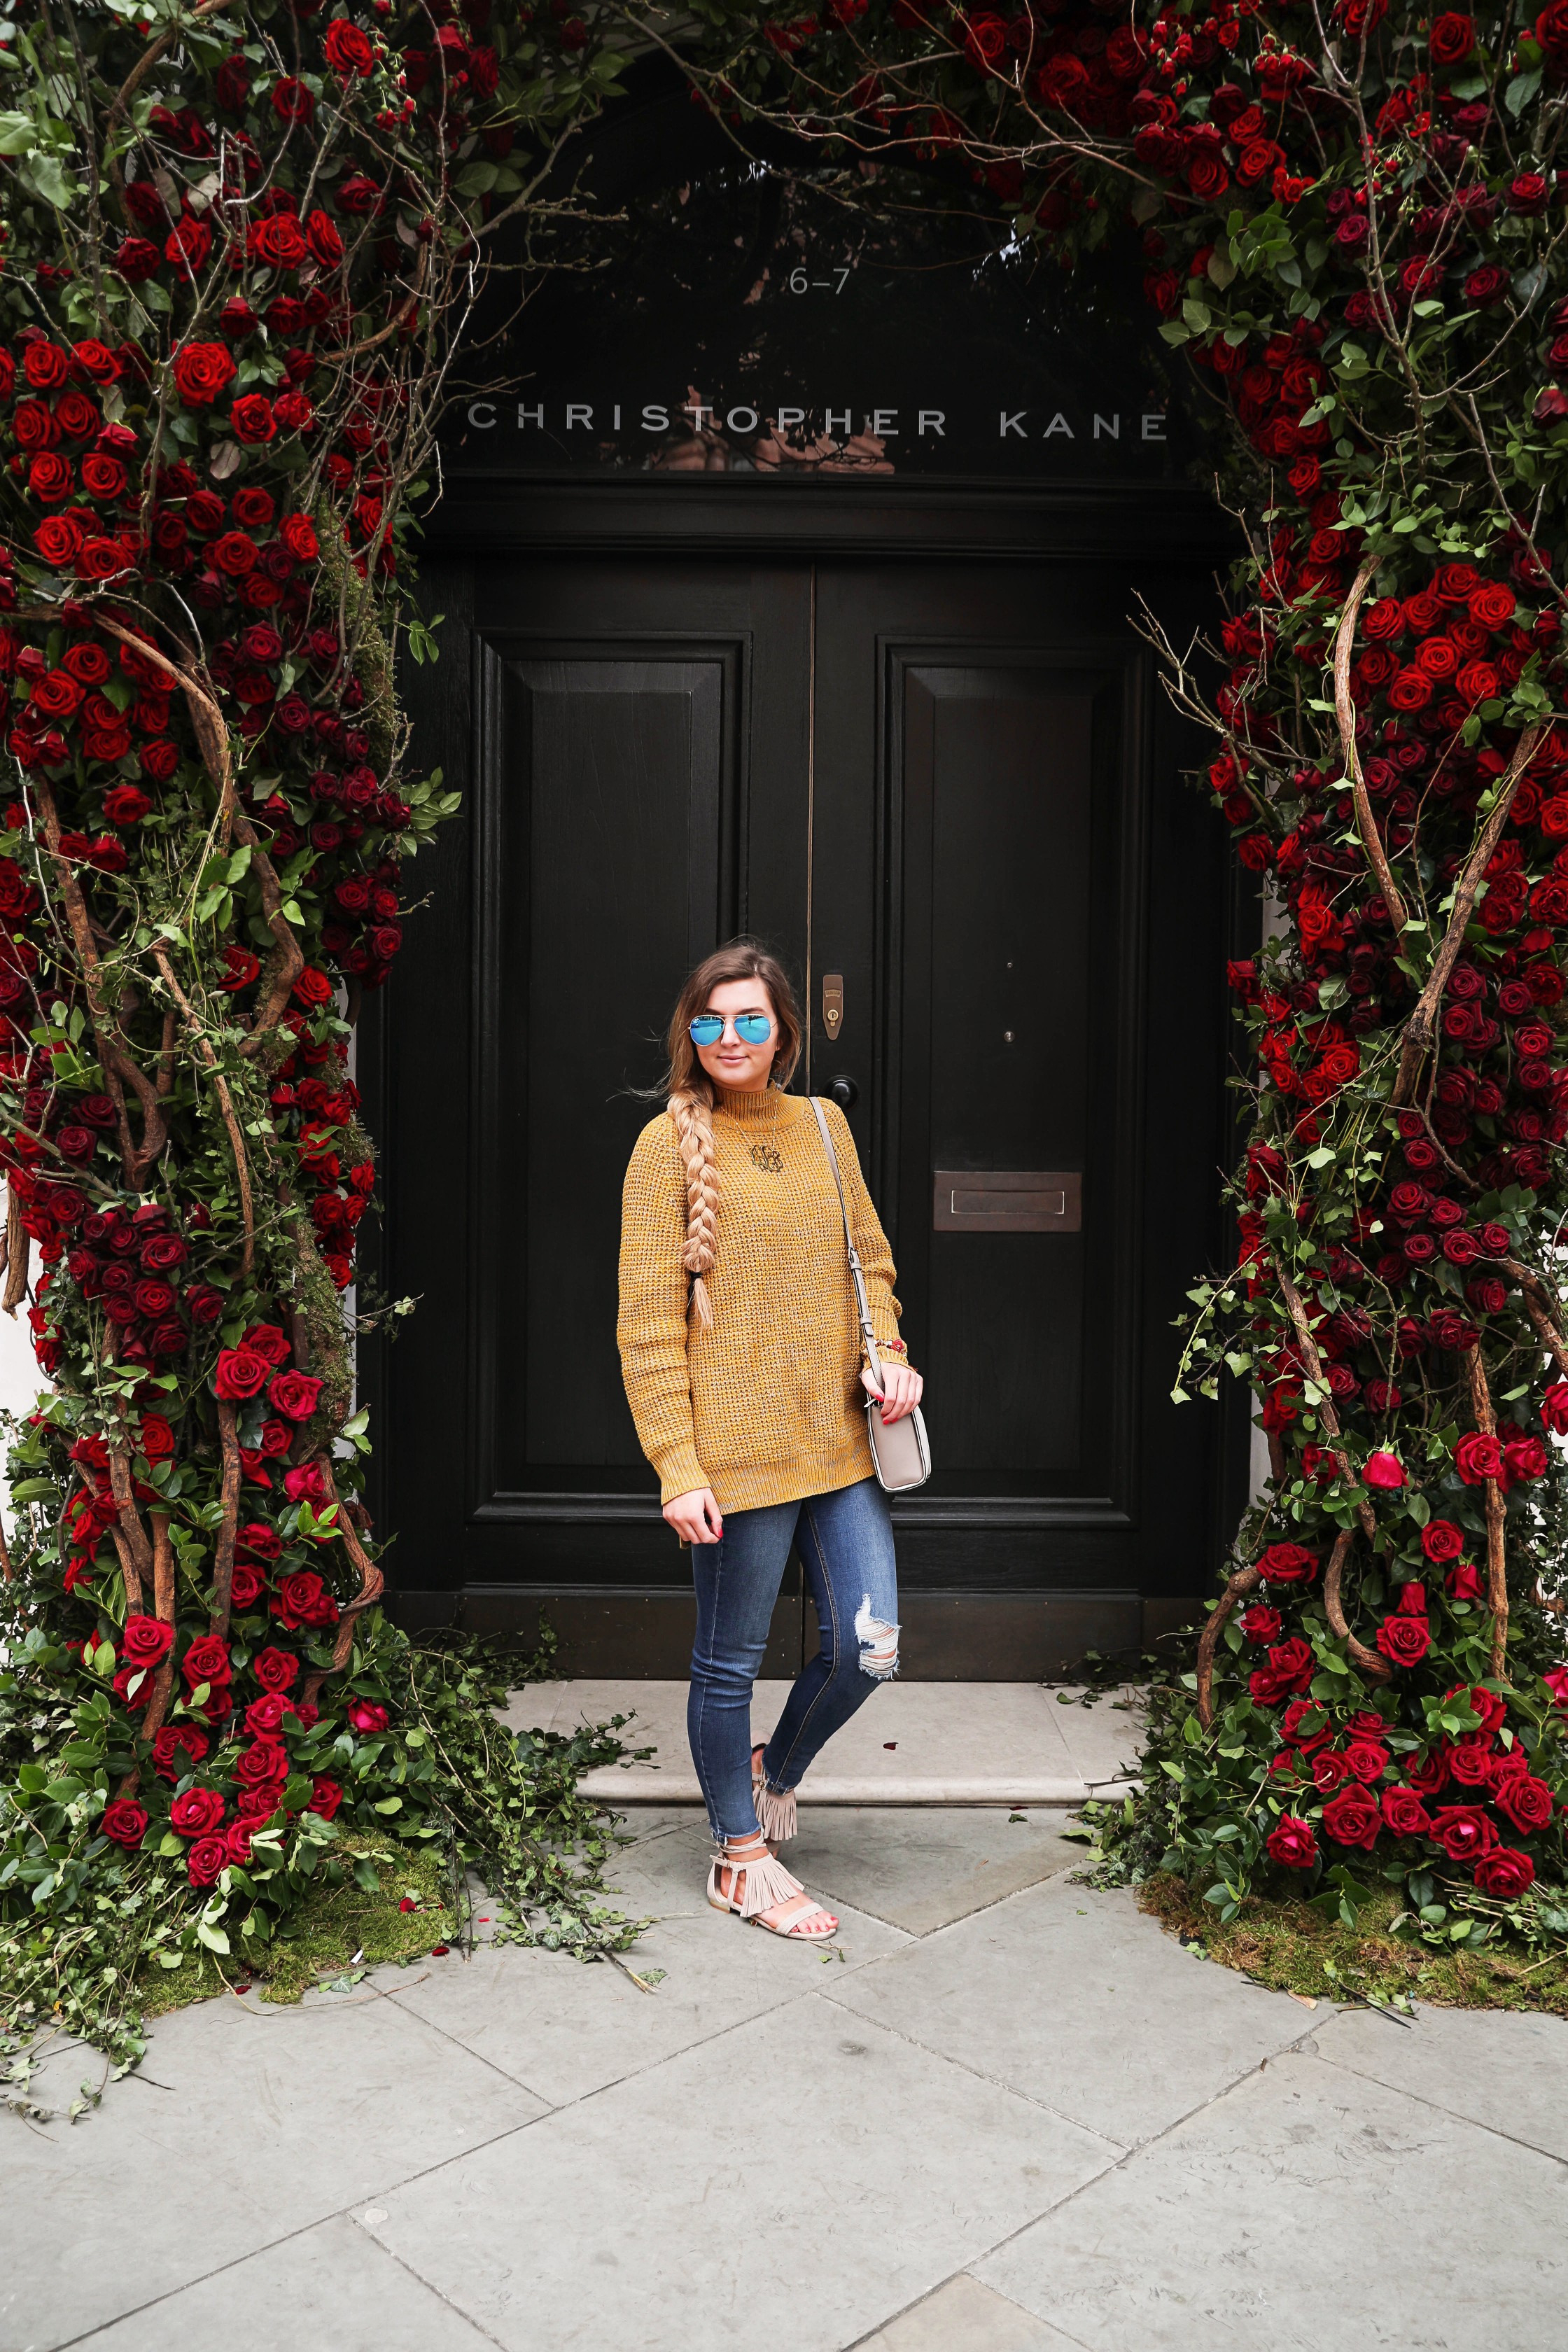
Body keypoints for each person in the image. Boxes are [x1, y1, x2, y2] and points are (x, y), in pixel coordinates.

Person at [617, 941, 923, 1939]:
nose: (731, 1038)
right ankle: (739, 1858)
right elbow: (647, 1324)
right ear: (689, 1034)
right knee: (727, 1665)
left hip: (838, 1441)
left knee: (866, 1651)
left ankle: (773, 1771)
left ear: (784, 1031)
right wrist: (677, 1465)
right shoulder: (665, 1147)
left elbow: (868, 1264)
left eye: (751, 1020)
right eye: (711, 1022)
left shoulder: (826, 1127)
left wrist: (891, 1354)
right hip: (734, 1459)